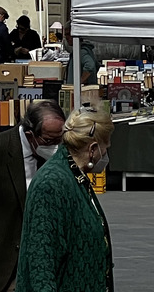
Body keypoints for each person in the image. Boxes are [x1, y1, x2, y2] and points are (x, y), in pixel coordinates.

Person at [0, 100, 66, 292]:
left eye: (58, 140)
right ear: (30, 135)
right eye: (49, 141)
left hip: (40, 263)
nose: (55, 147)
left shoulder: (60, 155)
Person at [16, 108, 115, 292]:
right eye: (106, 148)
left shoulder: (74, 175)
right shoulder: (51, 184)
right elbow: (41, 261)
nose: (106, 155)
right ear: (92, 149)